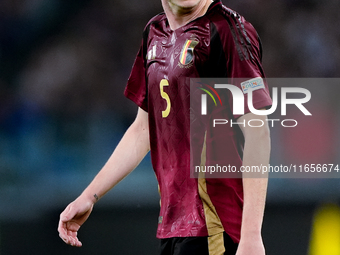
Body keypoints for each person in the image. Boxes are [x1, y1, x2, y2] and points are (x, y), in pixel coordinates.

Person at [58, 0, 272, 254]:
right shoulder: (154, 32)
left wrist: (251, 235)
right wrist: (88, 197)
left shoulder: (227, 30)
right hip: (173, 225)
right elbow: (142, 130)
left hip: (217, 227)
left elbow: (258, 130)